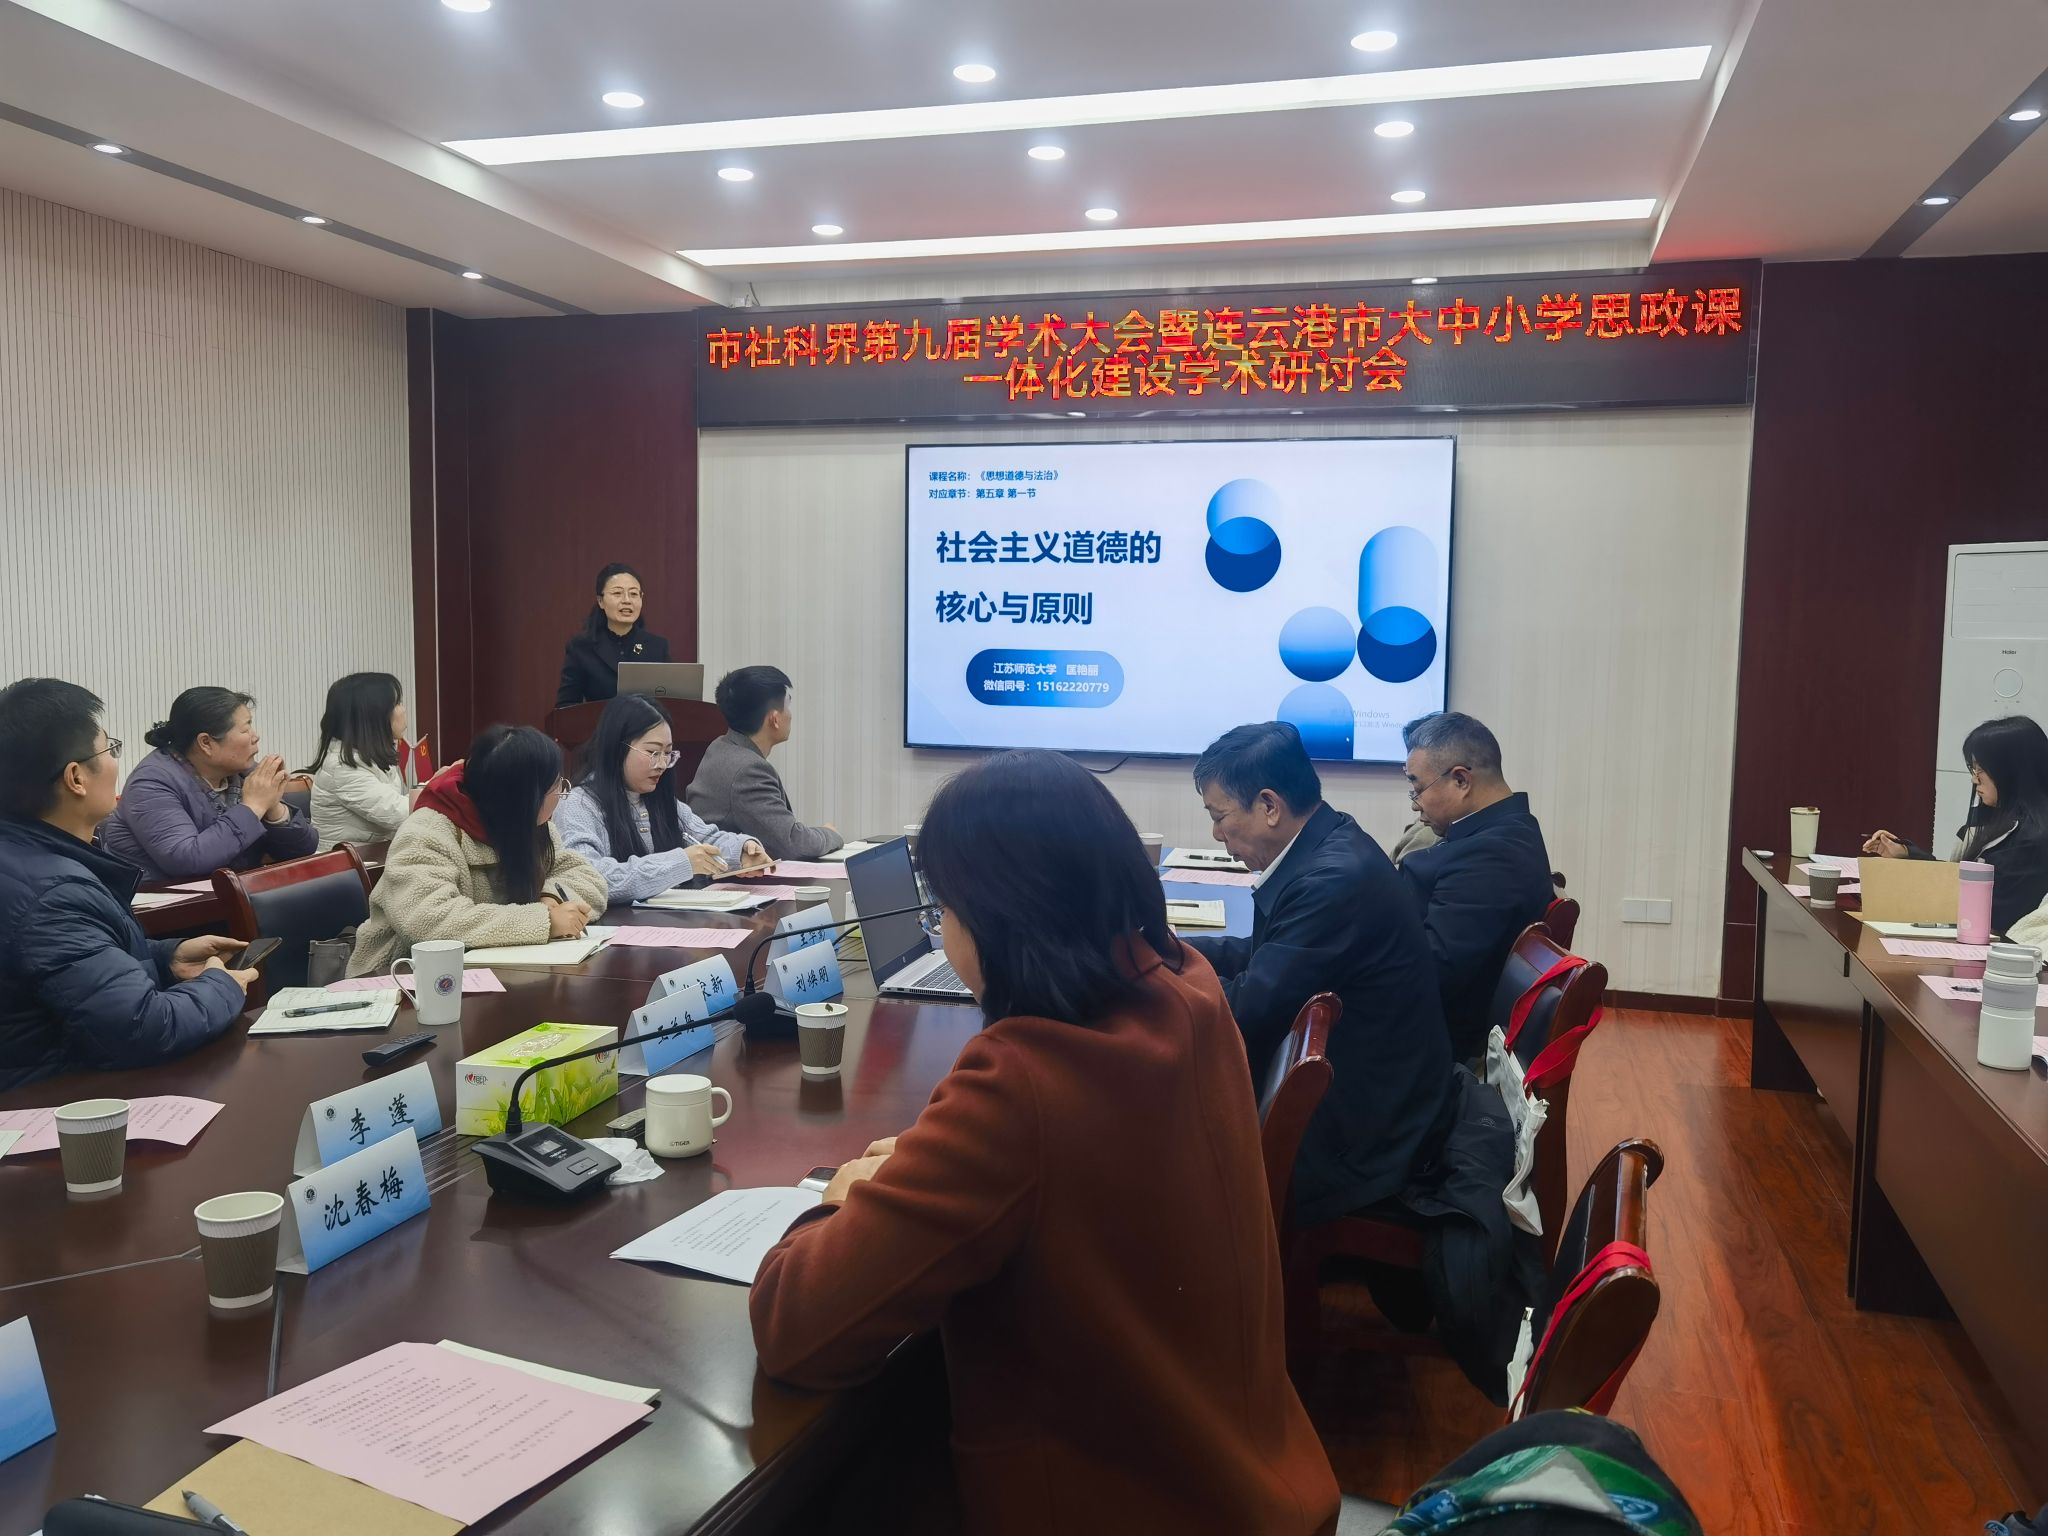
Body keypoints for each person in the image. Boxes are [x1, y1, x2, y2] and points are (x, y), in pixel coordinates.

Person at [751, 750, 1339, 1536]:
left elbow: (797, 1328)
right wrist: (933, 1161)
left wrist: (840, 1199)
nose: (942, 931)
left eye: (944, 910)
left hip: (1118, 1505)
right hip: (1242, 1473)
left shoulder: (1023, 1079)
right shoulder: (1185, 985)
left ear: (996, 917)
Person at [1182, 721, 1452, 1226]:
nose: (1216, 834)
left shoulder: (1332, 880)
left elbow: (1245, 1013)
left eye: (1219, 817)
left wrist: (1151, 981)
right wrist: (1169, 951)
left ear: (1268, 805)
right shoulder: (1330, 843)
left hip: (1364, 1137)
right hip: (1376, 1098)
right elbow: (1265, 957)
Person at [0, 678, 254, 1092]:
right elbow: (143, 1029)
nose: (117, 763)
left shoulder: (25, 860)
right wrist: (221, 986)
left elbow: (69, 968)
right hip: (54, 1105)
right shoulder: (51, 894)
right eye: (110, 749)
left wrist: (166, 958)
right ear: (76, 778)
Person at [348, 725, 609, 977]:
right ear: (524, 796)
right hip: (400, 979)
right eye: (556, 786)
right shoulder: (427, 832)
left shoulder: (530, 825)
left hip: (490, 973)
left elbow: (587, 878)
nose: (562, 793)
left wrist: (550, 898)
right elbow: (430, 921)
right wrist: (545, 921)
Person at [1398, 712, 1556, 1060]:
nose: (1414, 803)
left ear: (1460, 780)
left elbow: (1432, 972)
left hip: (1429, 1042)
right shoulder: (1505, 830)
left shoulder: (1492, 855)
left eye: (1418, 788)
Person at [554, 693, 772, 904]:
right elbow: (588, 878)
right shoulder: (578, 804)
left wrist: (741, 850)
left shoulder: (657, 799)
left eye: (668, 753)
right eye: (653, 752)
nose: (661, 764)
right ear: (617, 749)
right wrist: (680, 863)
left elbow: (705, 839)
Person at [103, 687, 317, 883]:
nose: (255, 737)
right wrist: (253, 807)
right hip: (163, 906)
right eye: (245, 730)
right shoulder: (151, 783)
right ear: (206, 743)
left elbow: (304, 849)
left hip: (232, 897)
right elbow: (187, 860)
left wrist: (274, 810)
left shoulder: (244, 772)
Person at [1863, 714, 2048, 934]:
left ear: (2011, 771)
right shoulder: (1998, 822)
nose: (1974, 779)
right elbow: (1962, 883)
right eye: (1973, 768)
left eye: (1981, 769)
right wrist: (1907, 855)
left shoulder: (2033, 839)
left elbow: (1992, 912)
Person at [686, 665, 842, 860]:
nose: (790, 714)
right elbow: (794, 844)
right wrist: (830, 833)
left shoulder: (721, 746)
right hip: (726, 875)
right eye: (787, 705)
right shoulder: (748, 770)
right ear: (774, 719)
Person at [302, 672, 418, 848]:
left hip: (373, 857)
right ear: (373, 715)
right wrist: (441, 785)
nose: (403, 709)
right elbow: (402, 813)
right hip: (346, 864)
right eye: (397, 703)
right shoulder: (342, 767)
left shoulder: (372, 755)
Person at [555, 562, 671, 708]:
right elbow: (566, 706)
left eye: (634, 594)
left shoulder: (657, 647)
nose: (627, 600)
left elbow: (670, 704)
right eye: (617, 593)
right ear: (600, 601)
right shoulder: (581, 648)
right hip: (600, 722)